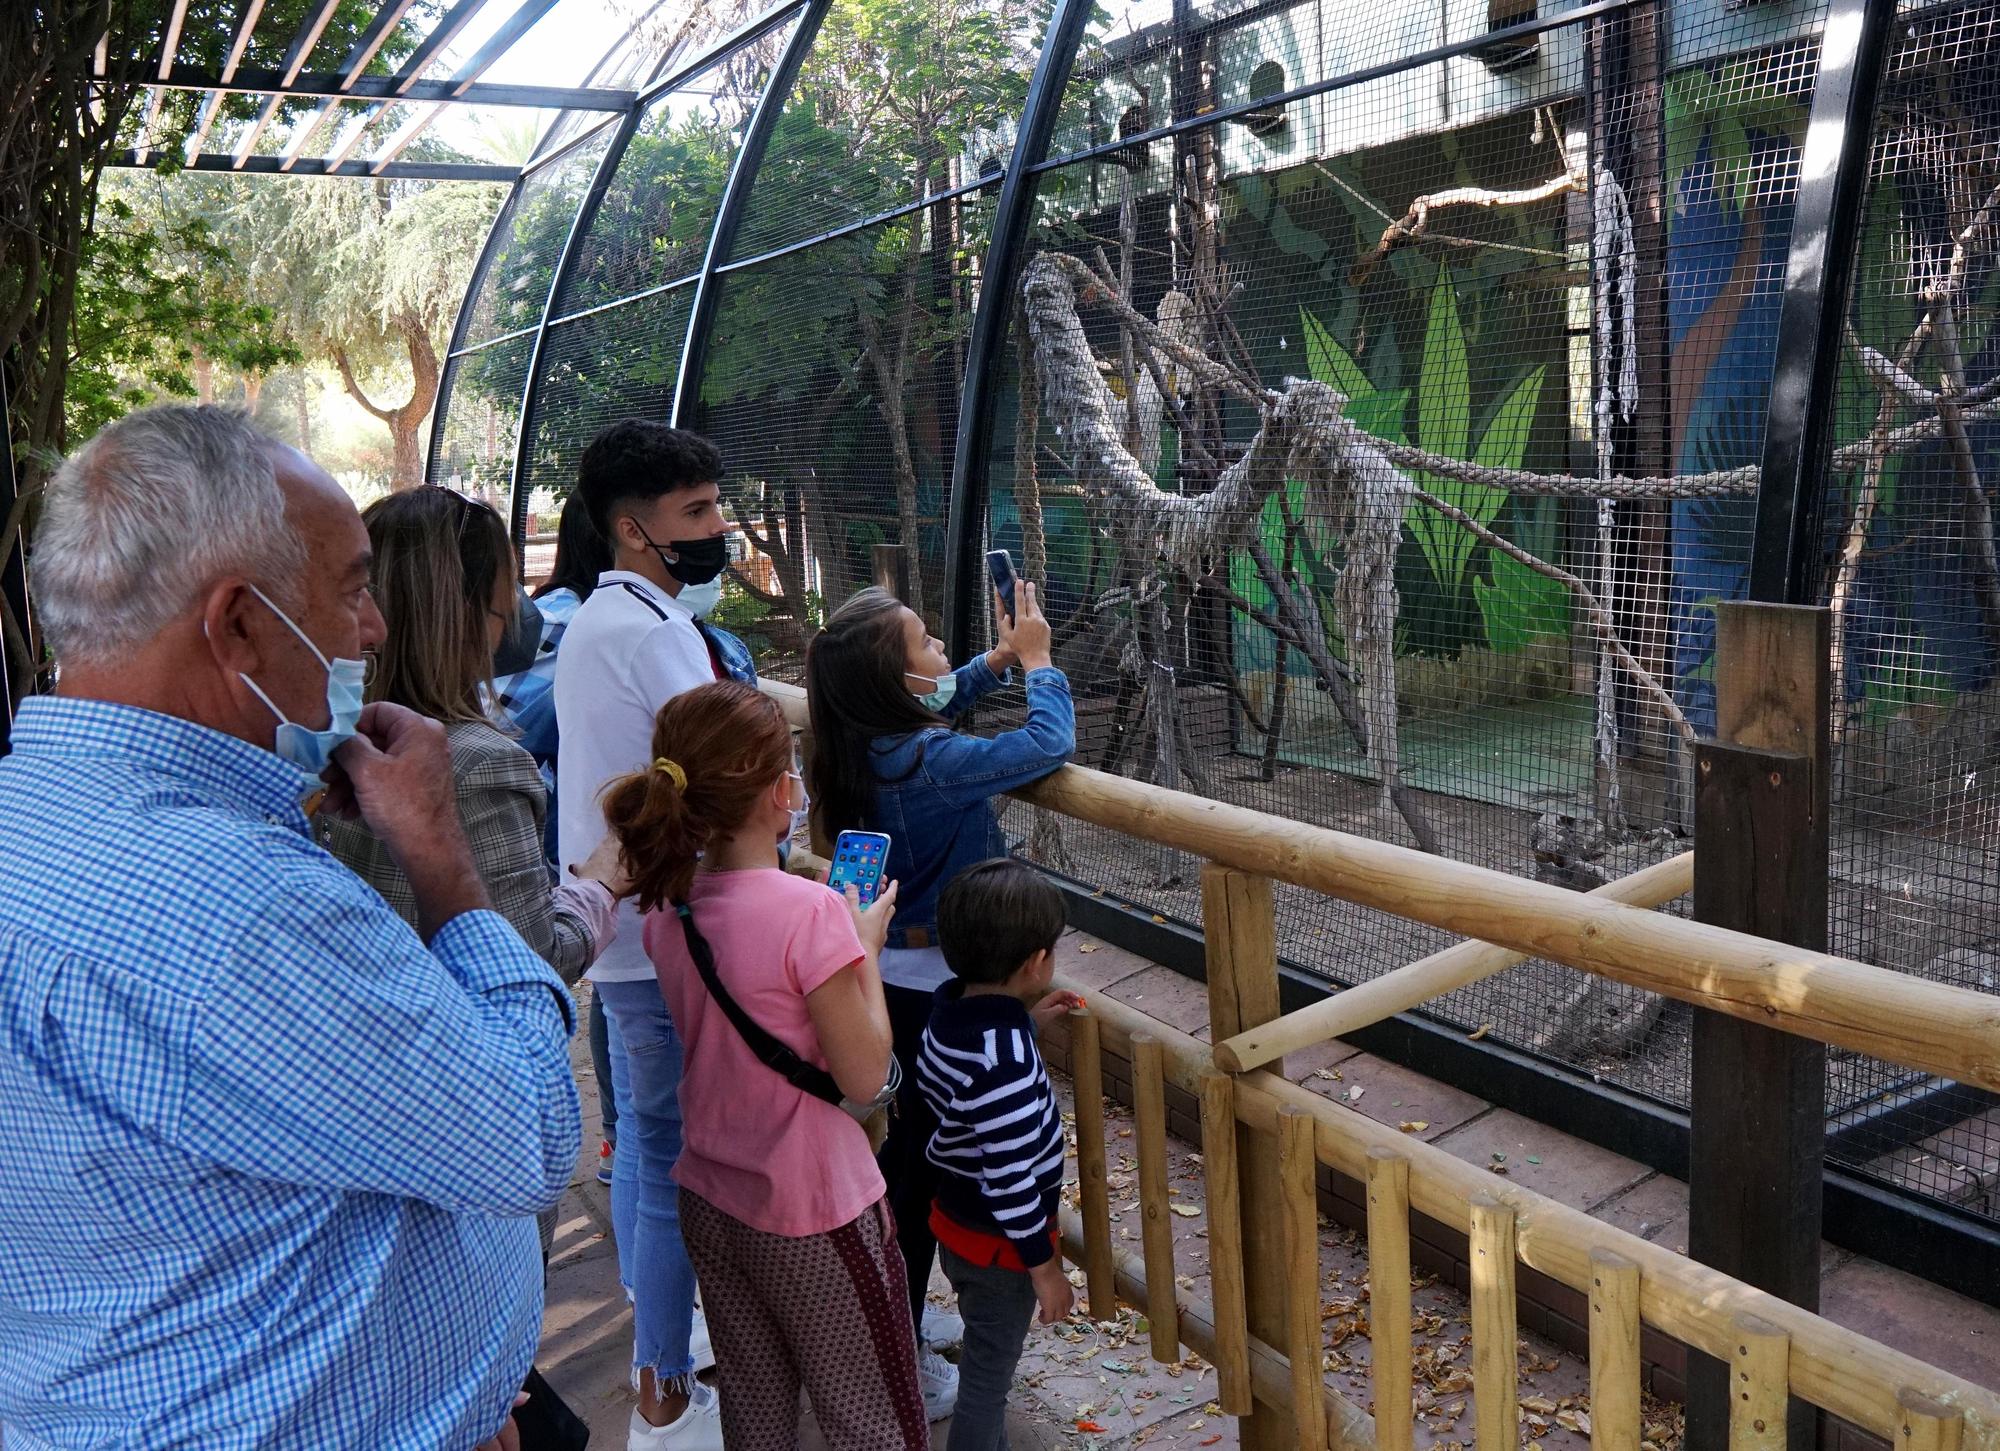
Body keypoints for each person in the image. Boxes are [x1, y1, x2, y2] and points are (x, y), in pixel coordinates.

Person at [0, 406, 577, 1451]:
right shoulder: (230, 901)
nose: (372, 629)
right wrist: (443, 859)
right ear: (236, 623)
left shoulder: (33, 820)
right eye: (353, 587)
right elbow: (529, 1132)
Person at [601, 680, 927, 1451]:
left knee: (756, 1407)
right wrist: (865, 950)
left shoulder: (667, 908)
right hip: (816, 1211)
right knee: (875, 1422)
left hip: (713, 1198)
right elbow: (866, 1074)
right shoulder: (811, 913)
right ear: (775, 793)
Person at [805, 580, 1074, 1416]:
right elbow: (1048, 741)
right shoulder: (935, 762)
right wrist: (1037, 665)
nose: (940, 656)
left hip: (882, 972)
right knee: (919, 1172)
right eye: (924, 644)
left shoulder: (852, 746)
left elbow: (945, 691)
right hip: (931, 989)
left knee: (910, 1157)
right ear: (896, 684)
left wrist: (993, 660)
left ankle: (898, 1326)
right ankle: (902, 1342)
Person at [555, 420, 735, 1449]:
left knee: (639, 1145)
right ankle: (662, 1395)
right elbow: (718, 758)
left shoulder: (594, 619)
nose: (716, 529)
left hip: (618, 928)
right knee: (668, 1154)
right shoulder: (655, 629)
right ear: (633, 529)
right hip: (667, 922)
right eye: (695, 513)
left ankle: (651, 1329)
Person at [322, 486, 620, 991]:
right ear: (466, 613)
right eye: (509, 588)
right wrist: (600, 886)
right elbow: (525, 969)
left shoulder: (320, 740)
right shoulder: (481, 766)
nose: (520, 608)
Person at [919, 860, 1082, 1451]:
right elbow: (1010, 1178)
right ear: (1037, 962)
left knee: (986, 1356)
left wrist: (1027, 1025)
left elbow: (971, 1087)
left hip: (959, 1223)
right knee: (989, 1378)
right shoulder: (1004, 1063)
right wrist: (1045, 1270)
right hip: (1003, 1248)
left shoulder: (948, 1014)